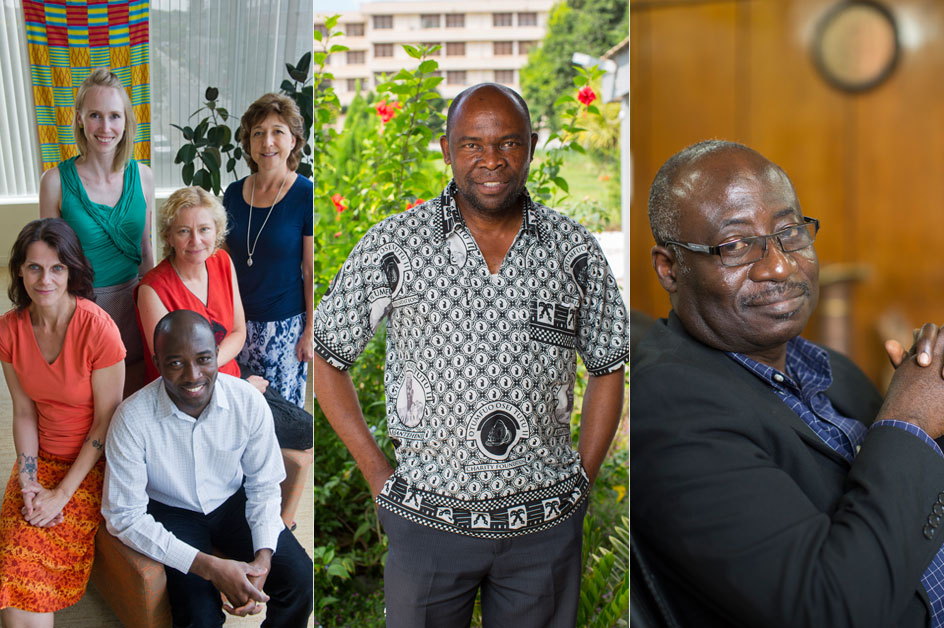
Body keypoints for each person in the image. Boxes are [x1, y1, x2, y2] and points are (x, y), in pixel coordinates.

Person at [313, 83, 629, 626]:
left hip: (544, 529)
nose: (491, 160)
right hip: (426, 523)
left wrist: (583, 480)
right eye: (471, 145)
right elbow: (326, 356)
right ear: (446, 149)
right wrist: (377, 476)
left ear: (533, 144)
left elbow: (607, 366)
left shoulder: (572, 250)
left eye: (508, 143)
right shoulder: (397, 243)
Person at [632, 139, 944, 627]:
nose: (779, 265)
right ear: (670, 268)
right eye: (735, 246)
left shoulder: (829, 368)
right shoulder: (669, 409)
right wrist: (909, 420)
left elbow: (902, 502)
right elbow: (828, 609)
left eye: (790, 232)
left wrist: (935, 417)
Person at [102, 310, 313, 627]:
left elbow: (264, 484)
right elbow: (123, 516)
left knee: (301, 581)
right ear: (157, 363)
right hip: (171, 511)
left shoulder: (247, 401)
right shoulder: (131, 419)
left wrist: (263, 558)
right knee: (199, 617)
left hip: (232, 501)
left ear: (217, 355)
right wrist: (209, 566)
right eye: (175, 363)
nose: (193, 375)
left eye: (203, 359)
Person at [135, 185, 312, 527]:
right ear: (169, 236)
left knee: (304, 429)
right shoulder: (152, 290)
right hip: (184, 397)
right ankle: (253, 508)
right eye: (184, 231)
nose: (195, 240)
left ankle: (261, 503)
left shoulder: (221, 262)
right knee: (244, 437)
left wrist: (237, 381)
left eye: (204, 229)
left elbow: (238, 331)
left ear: (216, 231)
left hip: (230, 378)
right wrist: (240, 388)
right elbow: (177, 371)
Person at [0, 219, 125, 626]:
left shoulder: (98, 329)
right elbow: (23, 410)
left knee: (29, 569)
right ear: (18, 269)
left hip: (93, 464)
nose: (45, 279)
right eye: (34, 267)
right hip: (39, 459)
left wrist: (62, 494)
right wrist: (29, 483)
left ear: (71, 270)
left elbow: (106, 424)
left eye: (56, 268)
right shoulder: (8, 330)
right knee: (12, 558)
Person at [38, 68, 154, 396]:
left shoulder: (143, 176)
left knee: (134, 395)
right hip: (83, 308)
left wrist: (155, 309)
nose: (105, 128)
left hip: (133, 301)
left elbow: (146, 251)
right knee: (94, 402)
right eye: (95, 116)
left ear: (127, 121)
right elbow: (50, 263)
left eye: (114, 116)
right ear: (79, 120)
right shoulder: (55, 182)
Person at [222, 93, 313, 409]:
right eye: (258, 133)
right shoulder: (233, 193)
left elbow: (311, 270)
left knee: (280, 417)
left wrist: (310, 331)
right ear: (248, 143)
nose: (267, 141)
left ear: (293, 140)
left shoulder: (305, 194)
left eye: (277, 131)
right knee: (239, 411)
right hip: (235, 326)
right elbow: (222, 262)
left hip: (283, 329)